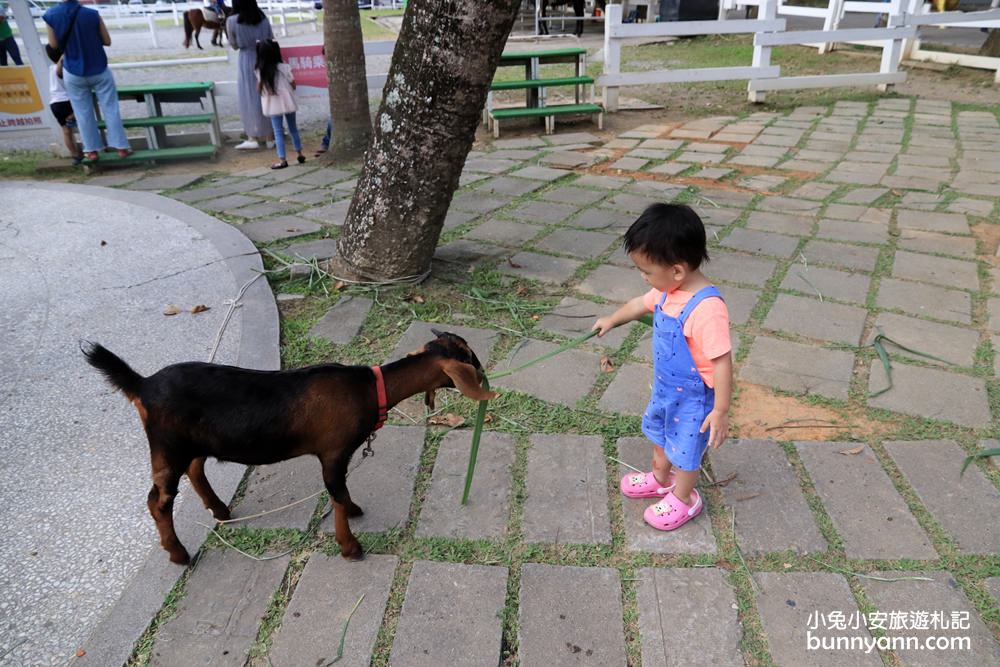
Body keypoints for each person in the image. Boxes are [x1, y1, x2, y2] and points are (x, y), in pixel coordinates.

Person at [593, 203, 732, 532]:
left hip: (696, 399)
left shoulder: (706, 308)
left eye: (647, 271)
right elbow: (638, 304)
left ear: (678, 270)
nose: (645, 278)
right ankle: (660, 478)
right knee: (661, 431)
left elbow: (722, 361)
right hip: (668, 389)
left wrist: (721, 410)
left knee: (686, 448)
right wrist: (612, 320)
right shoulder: (668, 290)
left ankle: (684, 497)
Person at [43, 0, 130, 161]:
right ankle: (121, 147)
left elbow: (53, 44)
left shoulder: (50, 15)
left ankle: (91, 151)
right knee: (111, 109)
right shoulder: (92, 14)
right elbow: (107, 41)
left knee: (82, 112)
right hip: (99, 67)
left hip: (73, 71)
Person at [226, 0, 273, 150]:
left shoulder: (232, 21)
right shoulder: (263, 19)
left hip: (246, 58)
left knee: (249, 97)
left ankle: (252, 137)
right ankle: (271, 137)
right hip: (265, 58)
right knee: (267, 95)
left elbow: (233, 45)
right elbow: (270, 39)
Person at [255, 39, 303, 169]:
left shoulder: (260, 71)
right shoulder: (284, 67)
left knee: (277, 131)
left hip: (273, 105)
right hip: (288, 102)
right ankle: (300, 153)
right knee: (293, 128)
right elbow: (293, 85)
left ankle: (282, 159)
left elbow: (259, 89)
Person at [49, 59, 83, 165]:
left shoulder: (51, 68)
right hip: (68, 100)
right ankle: (90, 151)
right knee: (84, 126)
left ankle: (75, 155)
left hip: (55, 103)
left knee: (66, 132)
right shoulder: (66, 68)